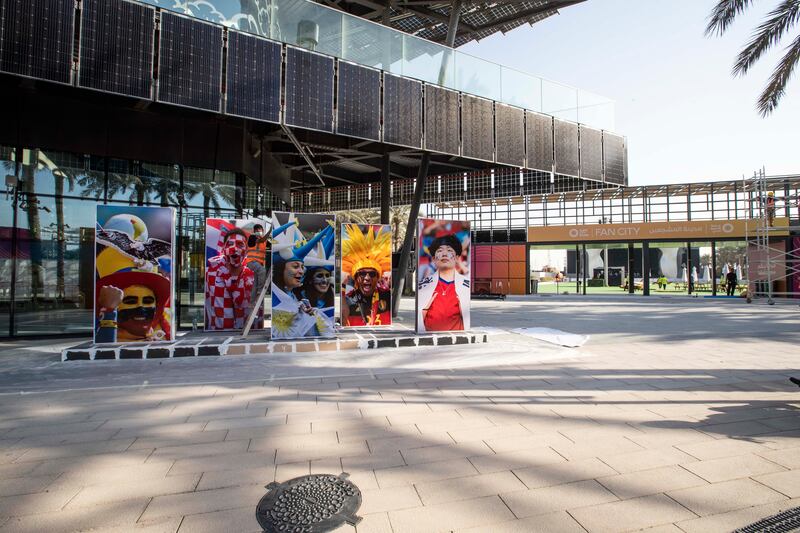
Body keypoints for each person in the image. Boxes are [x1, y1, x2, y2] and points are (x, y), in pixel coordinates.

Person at [270, 217, 335, 339]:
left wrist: (306, 313)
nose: (301, 271)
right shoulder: (277, 296)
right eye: (295, 266)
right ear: (280, 270)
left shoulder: (293, 295)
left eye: (302, 267)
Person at [95, 271, 171, 342]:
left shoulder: (162, 333)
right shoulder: (109, 337)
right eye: (131, 302)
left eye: (147, 301)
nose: (140, 306)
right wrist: (109, 311)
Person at [341, 224, 392, 327]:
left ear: (378, 277)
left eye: (372, 274)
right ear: (355, 278)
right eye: (362, 274)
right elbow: (343, 321)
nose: (367, 278)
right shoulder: (348, 299)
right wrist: (342, 287)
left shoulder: (387, 296)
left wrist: (391, 281)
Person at [417, 234, 470, 332]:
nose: (444, 254)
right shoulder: (423, 285)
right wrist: (424, 310)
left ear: (457, 258)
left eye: (449, 251)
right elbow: (419, 320)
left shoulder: (467, 286)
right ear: (433, 259)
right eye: (440, 251)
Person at [205, 228, 255, 330]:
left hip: (244, 334)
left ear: (246, 250)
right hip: (217, 334)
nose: (234, 248)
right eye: (230, 244)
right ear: (223, 249)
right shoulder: (211, 273)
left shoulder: (251, 275)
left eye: (240, 244)